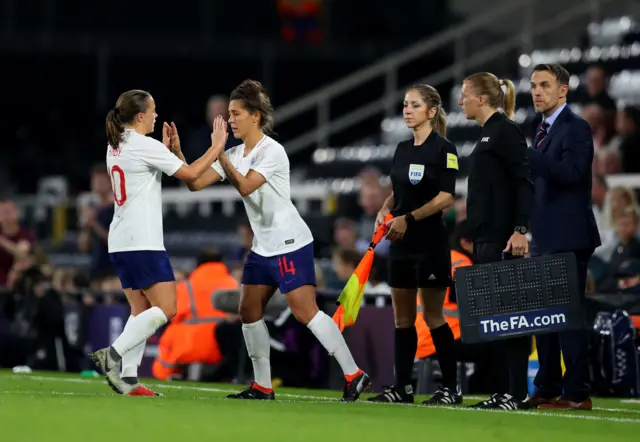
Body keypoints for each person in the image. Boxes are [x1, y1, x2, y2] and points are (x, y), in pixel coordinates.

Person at [186, 79, 369, 402]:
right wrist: (177, 152)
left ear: (255, 116)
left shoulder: (272, 151)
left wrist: (219, 154)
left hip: (289, 241)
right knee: (249, 309)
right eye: (228, 114)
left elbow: (245, 186)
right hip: (263, 246)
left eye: (236, 113)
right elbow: (195, 183)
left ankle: (354, 374)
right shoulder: (232, 152)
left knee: (304, 311)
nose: (230, 120)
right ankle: (262, 386)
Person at [90, 89, 228, 396]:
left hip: (121, 240)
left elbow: (144, 175)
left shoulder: (117, 144)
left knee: (140, 310)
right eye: (152, 111)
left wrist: (165, 151)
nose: (156, 115)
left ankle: (126, 380)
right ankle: (112, 355)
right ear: (140, 116)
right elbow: (191, 173)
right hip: (143, 241)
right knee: (167, 308)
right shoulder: (142, 145)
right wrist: (217, 146)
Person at [366, 84, 461, 406]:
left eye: (415, 105)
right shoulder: (403, 149)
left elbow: (447, 197)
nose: (407, 110)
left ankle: (451, 387)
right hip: (401, 244)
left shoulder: (444, 149)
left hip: (430, 243)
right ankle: (402, 388)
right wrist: (386, 209)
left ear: (431, 112)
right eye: (405, 104)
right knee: (402, 319)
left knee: (433, 316)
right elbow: (398, 191)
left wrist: (410, 218)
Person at [526, 63, 601, 410]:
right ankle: (547, 386)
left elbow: (572, 173)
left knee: (568, 319)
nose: (537, 91)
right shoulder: (538, 129)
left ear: (563, 90)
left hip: (569, 237)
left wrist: (531, 157)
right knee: (546, 319)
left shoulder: (576, 128)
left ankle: (577, 393)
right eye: (533, 85)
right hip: (544, 237)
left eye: (544, 85)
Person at [458, 72, 534, 410]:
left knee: (511, 318)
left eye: (464, 95)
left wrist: (520, 229)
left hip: (504, 241)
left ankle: (516, 392)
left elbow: (524, 182)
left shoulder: (506, 130)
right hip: (487, 239)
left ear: (481, 98)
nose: (460, 102)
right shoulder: (487, 133)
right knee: (497, 320)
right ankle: (504, 390)